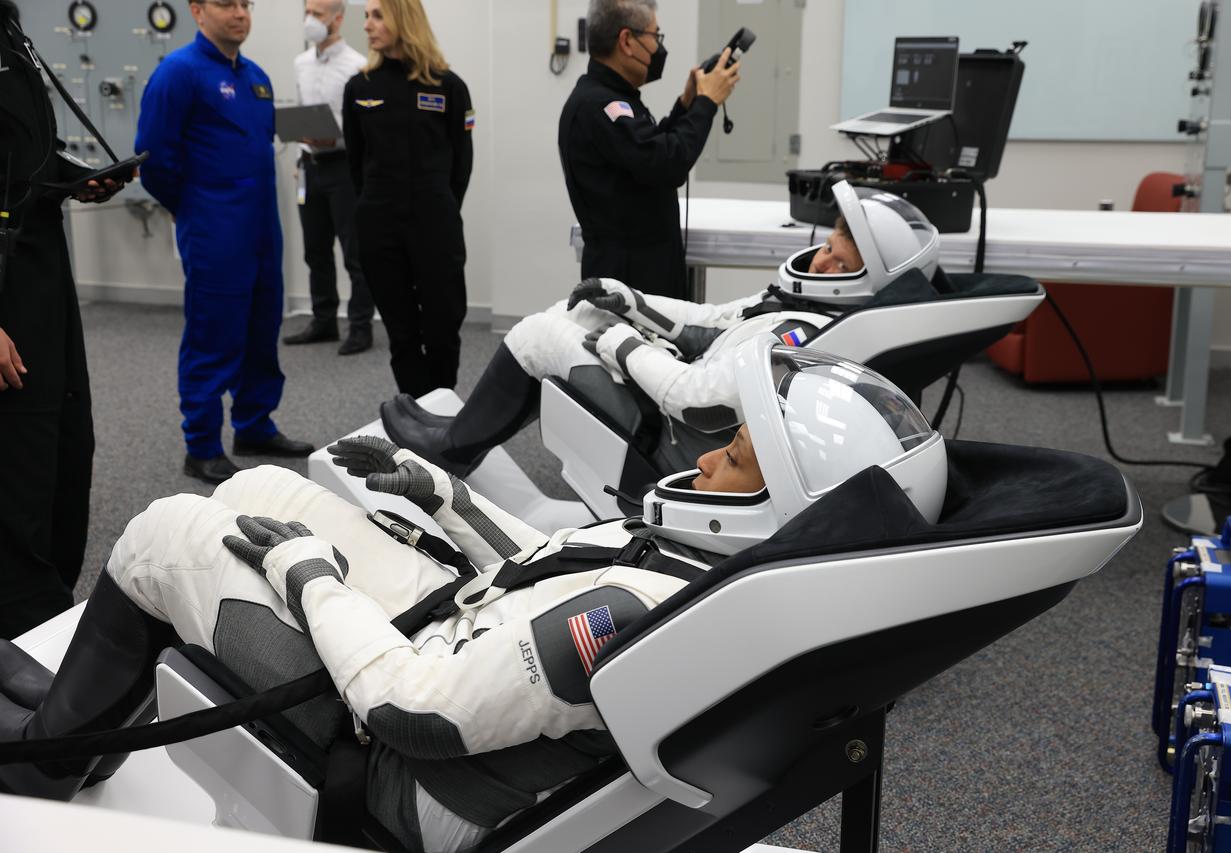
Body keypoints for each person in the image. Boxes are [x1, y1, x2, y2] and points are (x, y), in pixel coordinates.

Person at [0, 338, 946, 852]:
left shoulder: (633, 616)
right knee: (260, 490)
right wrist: (447, 500)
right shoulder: (706, 570)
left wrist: (311, 578)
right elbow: (552, 566)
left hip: (405, 757)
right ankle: (86, 713)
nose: (705, 462)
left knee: (164, 531)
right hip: (463, 635)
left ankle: (53, 755)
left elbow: (411, 711)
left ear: (785, 505)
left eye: (734, 459)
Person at [381, 183, 941, 478]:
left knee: (537, 337)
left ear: (865, 279)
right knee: (578, 312)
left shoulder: (804, 334)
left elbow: (699, 404)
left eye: (841, 261)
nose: (822, 260)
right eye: (830, 246)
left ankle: (452, 450)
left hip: (677, 445)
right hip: (674, 407)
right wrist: (632, 301)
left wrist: (625, 346)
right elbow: (716, 321)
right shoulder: (800, 305)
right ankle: (468, 435)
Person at [135, 0, 315, 486]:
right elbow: (154, 160)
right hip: (214, 229)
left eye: (245, 4)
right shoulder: (178, 73)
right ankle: (201, 447)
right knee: (213, 334)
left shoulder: (256, 77)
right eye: (225, 3)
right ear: (197, 10)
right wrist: (193, 207)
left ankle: (254, 426)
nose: (239, 13)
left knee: (262, 326)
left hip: (262, 227)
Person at [0, 1, 135, 638]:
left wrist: (77, 177)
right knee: (18, 469)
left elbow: (24, 158)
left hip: (42, 279)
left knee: (65, 451)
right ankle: (30, 640)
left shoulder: (11, 33)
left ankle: (49, 619)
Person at [559, 0, 740, 301]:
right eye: (655, 36)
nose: (658, 48)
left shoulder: (613, 98)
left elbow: (650, 150)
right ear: (627, 41)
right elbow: (668, 164)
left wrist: (687, 104)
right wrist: (706, 104)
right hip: (629, 283)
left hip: (644, 271)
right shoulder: (600, 106)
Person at [343, 0, 473, 397]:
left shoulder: (449, 86)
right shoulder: (359, 87)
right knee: (401, 331)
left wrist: (439, 207)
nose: (367, 25)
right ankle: (417, 408)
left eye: (377, 15)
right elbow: (356, 162)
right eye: (366, 16)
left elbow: (462, 164)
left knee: (443, 323)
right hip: (379, 225)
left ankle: (442, 402)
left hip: (434, 223)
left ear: (404, 18)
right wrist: (375, 206)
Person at [285, 0, 375, 356]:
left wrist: (336, 140)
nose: (311, 20)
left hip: (344, 167)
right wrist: (300, 154)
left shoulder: (358, 66)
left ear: (338, 18)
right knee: (315, 250)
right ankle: (323, 321)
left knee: (355, 253)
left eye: (318, 14)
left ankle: (360, 326)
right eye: (308, 12)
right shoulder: (300, 63)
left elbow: (365, 128)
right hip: (310, 166)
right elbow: (304, 111)